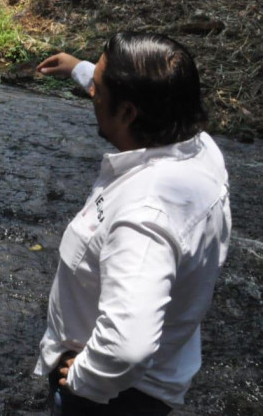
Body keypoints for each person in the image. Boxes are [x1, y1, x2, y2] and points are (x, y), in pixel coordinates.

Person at [34, 32, 231, 415]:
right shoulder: (199, 148)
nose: (93, 93)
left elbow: (128, 346)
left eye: (98, 88)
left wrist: (84, 381)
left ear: (127, 113)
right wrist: (79, 69)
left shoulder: (145, 213)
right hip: (159, 375)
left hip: (113, 399)